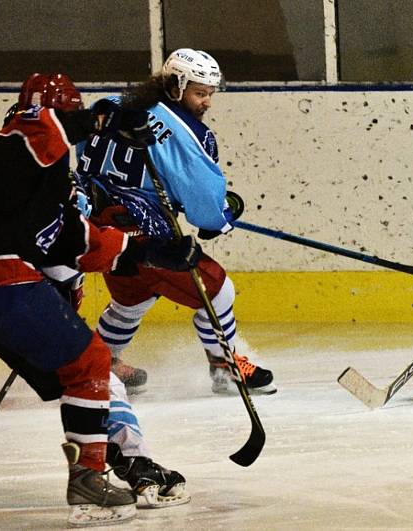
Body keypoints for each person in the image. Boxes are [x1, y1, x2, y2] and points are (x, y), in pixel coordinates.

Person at [0, 72, 200, 526]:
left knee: (84, 367)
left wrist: (150, 252)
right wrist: (104, 121)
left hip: (12, 294)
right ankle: (110, 470)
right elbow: (40, 127)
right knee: (91, 366)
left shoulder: (52, 176)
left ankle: (119, 464)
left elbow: (74, 239)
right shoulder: (26, 133)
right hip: (0, 284)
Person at [75, 48, 275, 396]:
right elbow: (203, 204)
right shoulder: (187, 133)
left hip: (99, 226)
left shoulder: (111, 103)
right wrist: (218, 219)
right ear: (174, 86)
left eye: (210, 94)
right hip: (142, 233)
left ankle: (99, 362)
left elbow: (82, 147)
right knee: (216, 289)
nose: (207, 102)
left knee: (132, 299)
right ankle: (224, 366)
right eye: (200, 93)